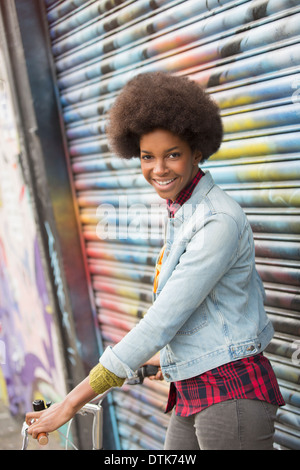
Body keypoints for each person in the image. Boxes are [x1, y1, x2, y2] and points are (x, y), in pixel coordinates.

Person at [26, 72, 284, 450]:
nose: (158, 169)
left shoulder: (217, 220)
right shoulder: (183, 210)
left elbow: (163, 318)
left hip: (231, 394)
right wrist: (161, 359)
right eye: (148, 157)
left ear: (197, 152)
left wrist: (69, 403)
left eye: (173, 155)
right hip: (192, 388)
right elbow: (211, 311)